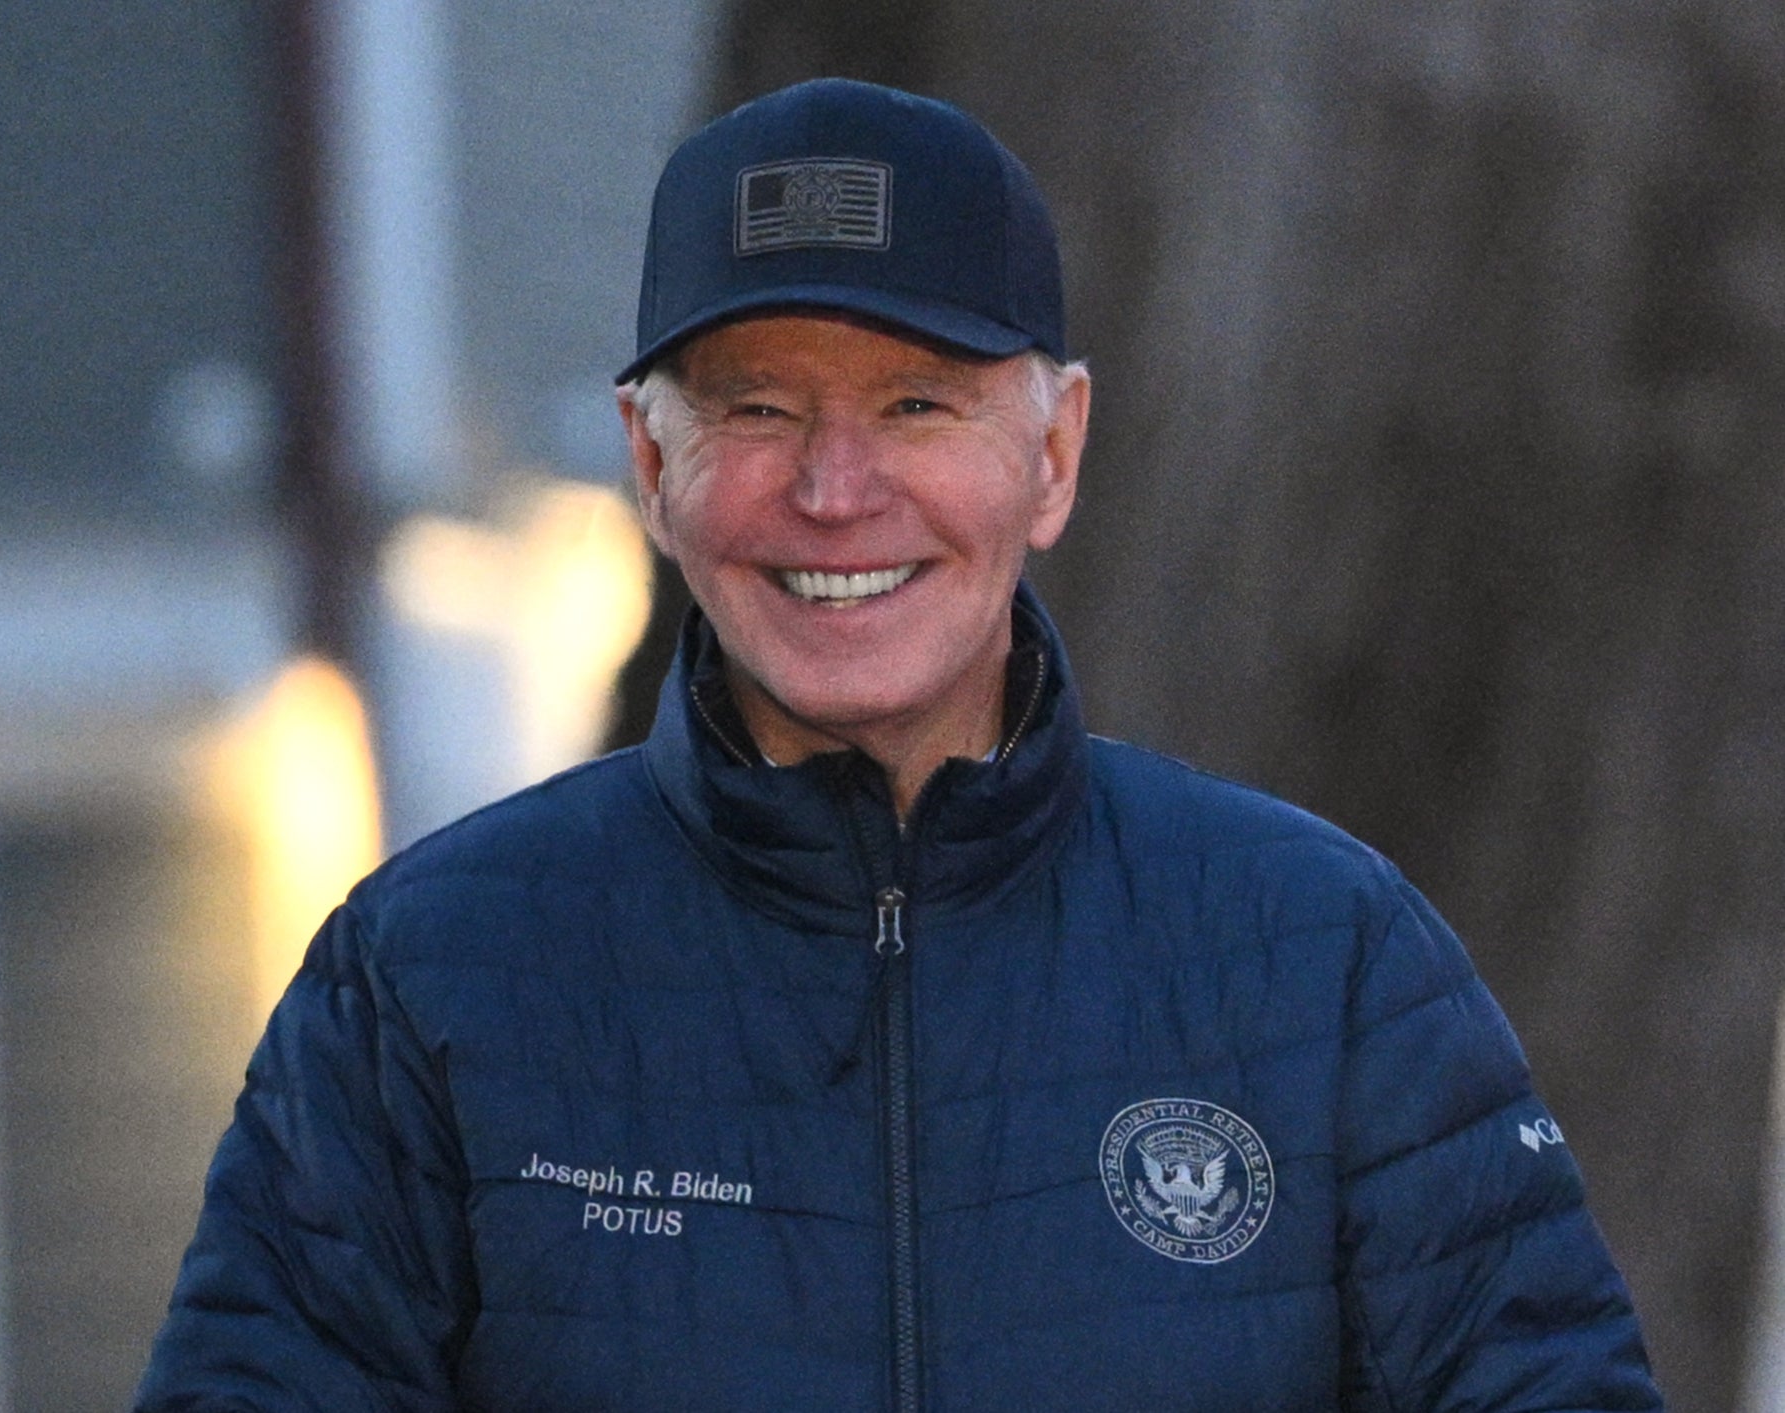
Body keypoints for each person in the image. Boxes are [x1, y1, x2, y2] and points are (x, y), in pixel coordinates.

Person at [136, 78, 1663, 1410]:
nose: (835, 490)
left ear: (1052, 453)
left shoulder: (1325, 964)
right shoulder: (428, 982)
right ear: (651, 463)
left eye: (920, 403)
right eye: (755, 410)